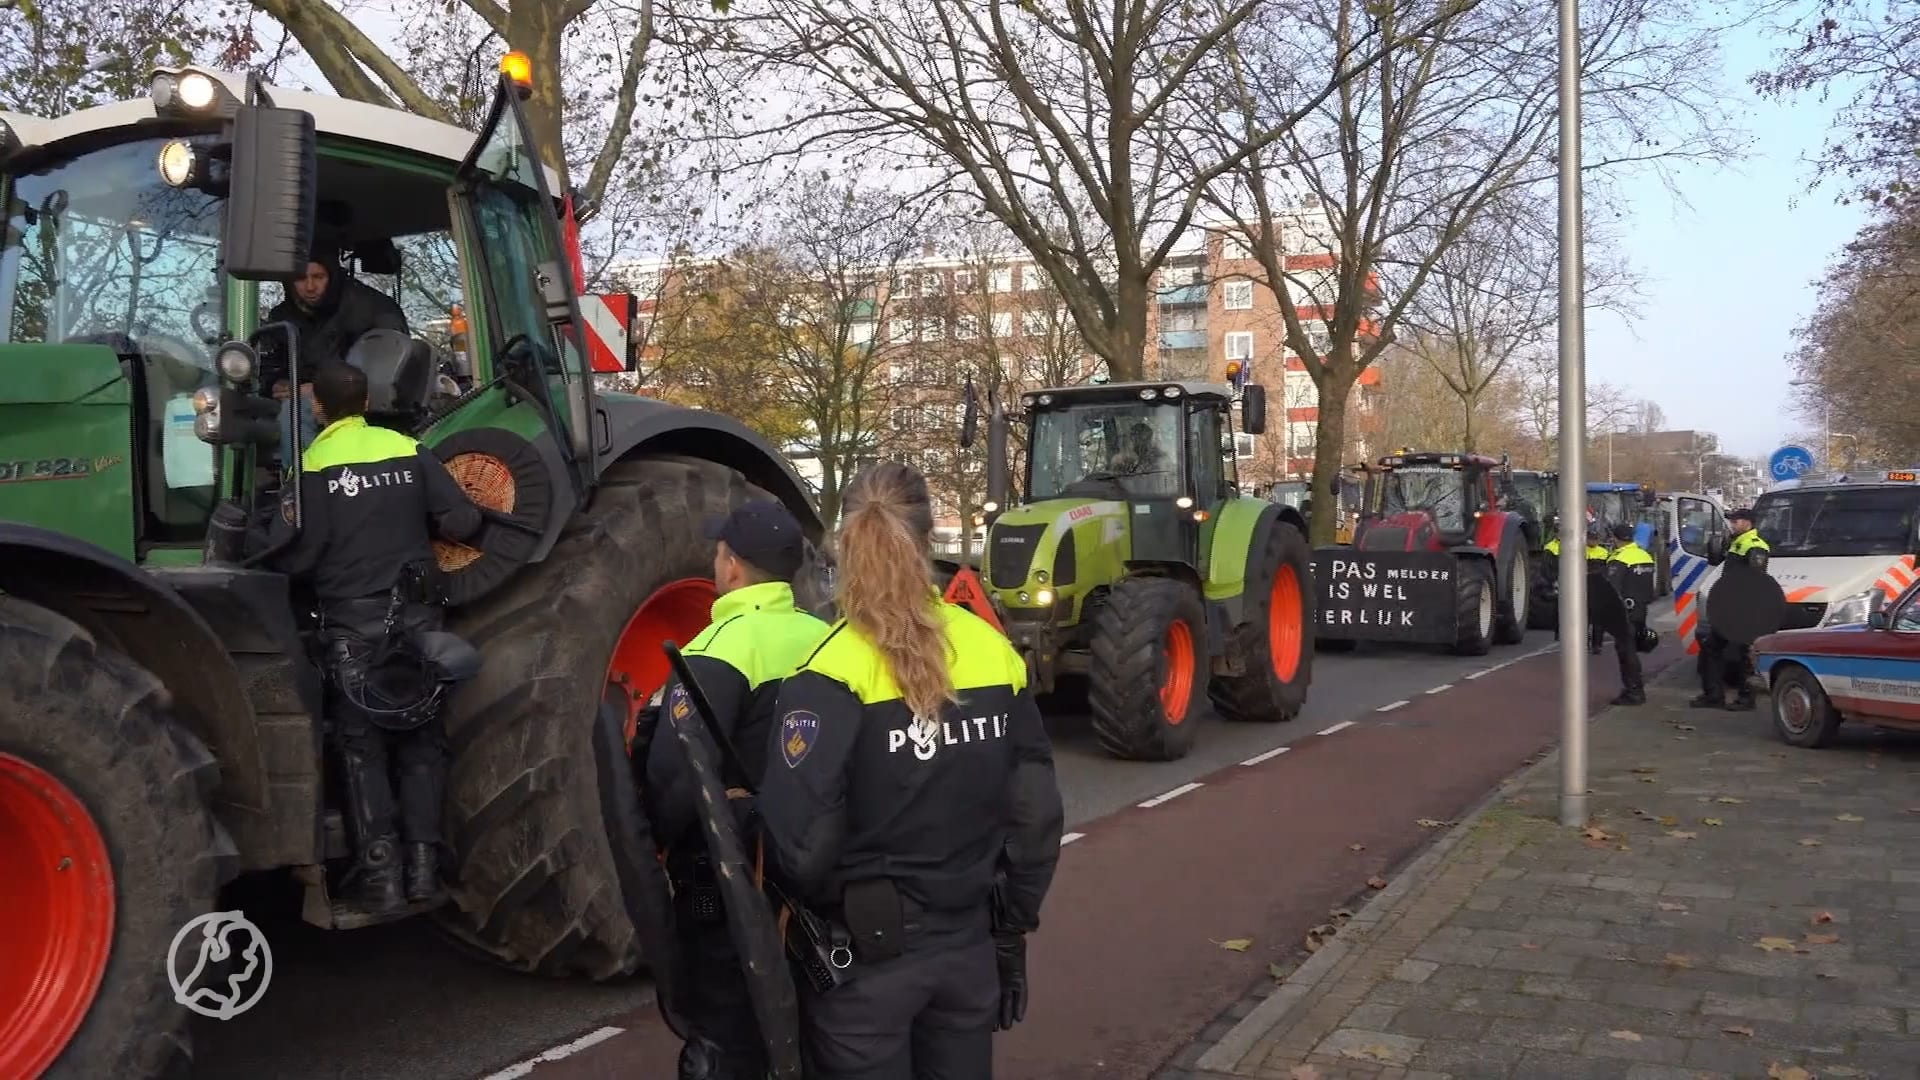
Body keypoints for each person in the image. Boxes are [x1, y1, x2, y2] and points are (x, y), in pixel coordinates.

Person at [757, 461, 1065, 1079]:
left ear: (844, 546)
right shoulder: (990, 650)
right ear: (927, 543)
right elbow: (1035, 821)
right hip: (969, 944)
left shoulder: (829, 670)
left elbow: (804, 848)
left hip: (866, 962)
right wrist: (1010, 928)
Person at [267, 362, 483, 915]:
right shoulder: (407, 449)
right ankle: (424, 873)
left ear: (319, 408)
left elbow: (299, 554)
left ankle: (381, 877)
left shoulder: (312, 463)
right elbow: (459, 520)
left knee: (362, 749)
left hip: (350, 626)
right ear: (367, 401)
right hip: (415, 620)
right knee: (421, 744)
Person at [642, 500, 829, 1080]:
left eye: (719, 553)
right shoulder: (828, 636)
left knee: (726, 1035)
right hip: (816, 873)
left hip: (731, 884)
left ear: (732, 567)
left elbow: (674, 784)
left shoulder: (718, 648)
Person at [263, 243, 411, 464]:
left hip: (358, 398)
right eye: (301, 278)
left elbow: (388, 369)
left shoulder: (371, 308)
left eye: (318, 277)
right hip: (304, 395)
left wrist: (324, 387)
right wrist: (276, 383)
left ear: (332, 275)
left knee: (295, 411)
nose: (310, 286)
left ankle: (307, 485)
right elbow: (269, 362)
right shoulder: (282, 317)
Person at [1692, 507, 1771, 711]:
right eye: (1732, 521)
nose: (1732, 524)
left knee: (1744, 654)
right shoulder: (1737, 543)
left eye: (1736, 521)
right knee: (1711, 647)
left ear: (1747, 523)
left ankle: (1746, 699)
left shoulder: (1755, 546)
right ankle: (1713, 696)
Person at [1603, 522, 1656, 705]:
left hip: (1624, 611)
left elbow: (1612, 588)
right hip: (1641, 609)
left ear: (1616, 539)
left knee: (1626, 652)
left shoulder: (1619, 559)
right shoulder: (1645, 555)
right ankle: (1635, 689)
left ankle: (1634, 692)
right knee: (1631, 649)